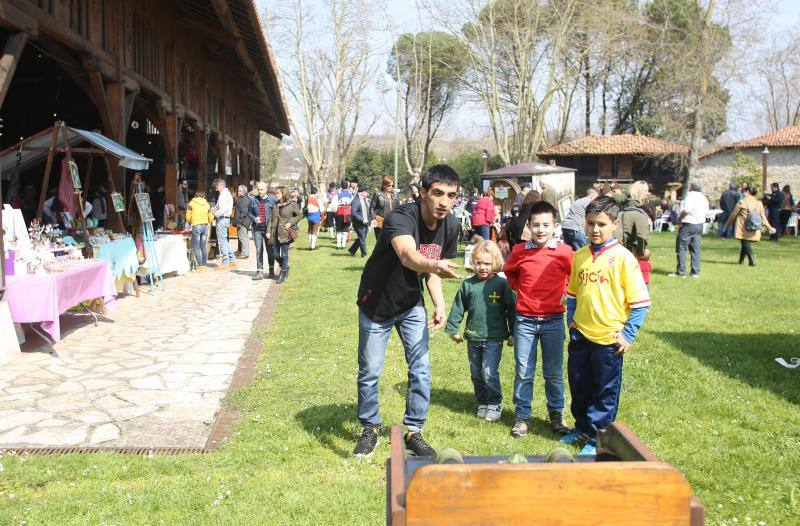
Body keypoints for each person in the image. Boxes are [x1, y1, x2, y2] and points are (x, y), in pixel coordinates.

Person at [353, 164, 462, 459]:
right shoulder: (400, 216)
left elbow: (433, 270)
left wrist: (439, 302)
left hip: (411, 303)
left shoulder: (451, 226)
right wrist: (433, 266)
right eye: (437, 193)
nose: (444, 202)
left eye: (451, 195)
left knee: (421, 369)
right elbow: (408, 255)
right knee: (371, 371)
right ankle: (369, 428)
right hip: (377, 303)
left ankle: (414, 431)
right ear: (423, 192)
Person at [560, 196, 651, 455]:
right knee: (579, 384)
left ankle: (597, 437)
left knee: (604, 390)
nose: (595, 230)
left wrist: (628, 335)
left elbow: (641, 303)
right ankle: (581, 426)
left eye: (601, 224)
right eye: (590, 224)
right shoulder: (579, 256)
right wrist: (572, 322)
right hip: (581, 335)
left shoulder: (623, 258)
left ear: (615, 223)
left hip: (609, 339)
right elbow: (574, 294)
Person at [503, 200, 574, 438]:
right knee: (524, 370)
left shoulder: (565, 252)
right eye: (536, 225)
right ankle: (522, 417)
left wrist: (565, 291)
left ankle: (556, 413)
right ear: (528, 226)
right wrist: (519, 289)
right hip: (524, 321)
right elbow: (510, 271)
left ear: (555, 226)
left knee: (553, 371)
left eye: (546, 225)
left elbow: (575, 276)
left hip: (554, 320)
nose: (541, 230)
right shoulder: (520, 251)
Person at [445, 240, 515, 422]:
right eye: (479, 263)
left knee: (489, 372)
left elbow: (511, 309)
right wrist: (453, 328)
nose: (482, 267)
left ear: (495, 263)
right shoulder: (468, 285)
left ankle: (494, 402)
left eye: (487, 264)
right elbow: (458, 307)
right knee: (476, 373)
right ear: (472, 262)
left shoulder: (502, 284)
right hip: (473, 336)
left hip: (494, 337)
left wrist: (514, 333)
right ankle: (482, 401)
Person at [724, 186, 774, 267]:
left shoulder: (742, 202)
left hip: (743, 226)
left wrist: (727, 224)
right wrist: (770, 227)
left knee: (745, 241)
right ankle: (740, 261)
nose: (742, 194)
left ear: (747, 192)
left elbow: (734, 214)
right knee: (745, 242)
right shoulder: (759, 203)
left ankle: (752, 261)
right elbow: (763, 217)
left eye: (743, 192)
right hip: (754, 226)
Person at [669, 181, 709, 278]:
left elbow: (686, 210)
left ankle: (681, 271)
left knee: (681, 247)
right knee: (695, 248)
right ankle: (695, 271)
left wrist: (679, 219)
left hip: (688, 224)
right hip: (699, 224)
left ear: (690, 188)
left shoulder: (690, 196)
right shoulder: (703, 197)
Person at [266, 186, 302, 284]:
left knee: (285, 254)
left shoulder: (291, 205)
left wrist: (290, 223)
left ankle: (283, 273)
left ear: (283, 194)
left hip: (285, 233)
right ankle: (285, 267)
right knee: (275, 254)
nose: (276, 195)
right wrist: (268, 231)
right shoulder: (275, 205)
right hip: (275, 233)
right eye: (276, 193)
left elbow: (300, 215)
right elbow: (271, 219)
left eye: (278, 193)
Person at [248, 183, 278, 280]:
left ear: (266, 189)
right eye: (259, 189)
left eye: (262, 189)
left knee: (270, 250)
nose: (260, 191)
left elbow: (276, 213)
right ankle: (259, 271)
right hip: (257, 229)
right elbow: (249, 212)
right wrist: (254, 218)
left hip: (268, 230)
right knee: (258, 250)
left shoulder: (272, 200)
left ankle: (271, 270)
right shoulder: (253, 200)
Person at [616, 180, 651, 259]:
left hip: (612, 248)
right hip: (626, 252)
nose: (647, 193)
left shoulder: (621, 209)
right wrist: (641, 253)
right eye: (646, 191)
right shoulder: (638, 213)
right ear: (640, 192)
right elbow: (642, 237)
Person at [185, 190, 214, 270]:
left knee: (196, 246)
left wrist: (190, 221)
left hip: (196, 225)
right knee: (203, 246)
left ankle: (200, 265)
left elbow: (187, 217)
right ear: (203, 196)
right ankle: (204, 264)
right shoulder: (207, 205)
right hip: (205, 226)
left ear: (195, 196)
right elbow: (211, 218)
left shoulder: (191, 203)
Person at [211, 179, 236, 269]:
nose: (216, 189)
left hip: (222, 218)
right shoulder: (226, 193)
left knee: (222, 241)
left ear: (221, 185)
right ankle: (232, 259)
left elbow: (222, 209)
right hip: (225, 219)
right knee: (225, 240)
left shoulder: (223, 195)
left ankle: (225, 262)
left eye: (216, 187)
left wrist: (214, 214)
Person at [348, 184, 371, 257]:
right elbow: (354, 213)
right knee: (362, 238)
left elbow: (367, 211)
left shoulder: (364, 200)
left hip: (366, 222)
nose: (367, 193)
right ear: (362, 193)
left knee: (362, 238)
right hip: (358, 223)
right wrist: (362, 219)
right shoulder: (356, 201)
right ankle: (364, 254)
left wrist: (370, 220)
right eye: (366, 192)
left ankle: (352, 250)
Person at [370, 176, 394, 241]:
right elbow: (372, 207)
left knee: (390, 241)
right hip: (379, 221)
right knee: (380, 242)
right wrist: (373, 219)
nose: (391, 187)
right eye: (389, 185)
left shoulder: (393, 195)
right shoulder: (377, 194)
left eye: (392, 185)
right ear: (384, 185)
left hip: (391, 222)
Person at [234, 185, 252, 259]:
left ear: (243, 191)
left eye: (239, 190)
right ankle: (240, 250)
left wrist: (240, 222)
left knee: (243, 237)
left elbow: (244, 212)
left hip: (243, 222)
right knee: (240, 236)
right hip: (242, 221)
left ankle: (245, 253)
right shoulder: (242, 198)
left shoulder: (245, 199)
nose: (238, 192)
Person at [335, 182, 353, 249]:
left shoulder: (338, 195)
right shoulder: (350, 195)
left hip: (339, 212)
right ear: (347, 187)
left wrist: (335, 212)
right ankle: (343, 245)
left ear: (342, 187)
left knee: (339, 229)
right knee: (345, 228)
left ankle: (338, 245)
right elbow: (352, 204)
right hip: (348, 213)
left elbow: (334, 205)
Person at [306, 186, 323, 250]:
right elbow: (322, 210)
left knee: (310, 229)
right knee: (315, 231)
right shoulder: (318, 200)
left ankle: (310, 243)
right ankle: (312, 246)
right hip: (316, 216)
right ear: (316, 192)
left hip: (309, 216)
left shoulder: (307, 199)